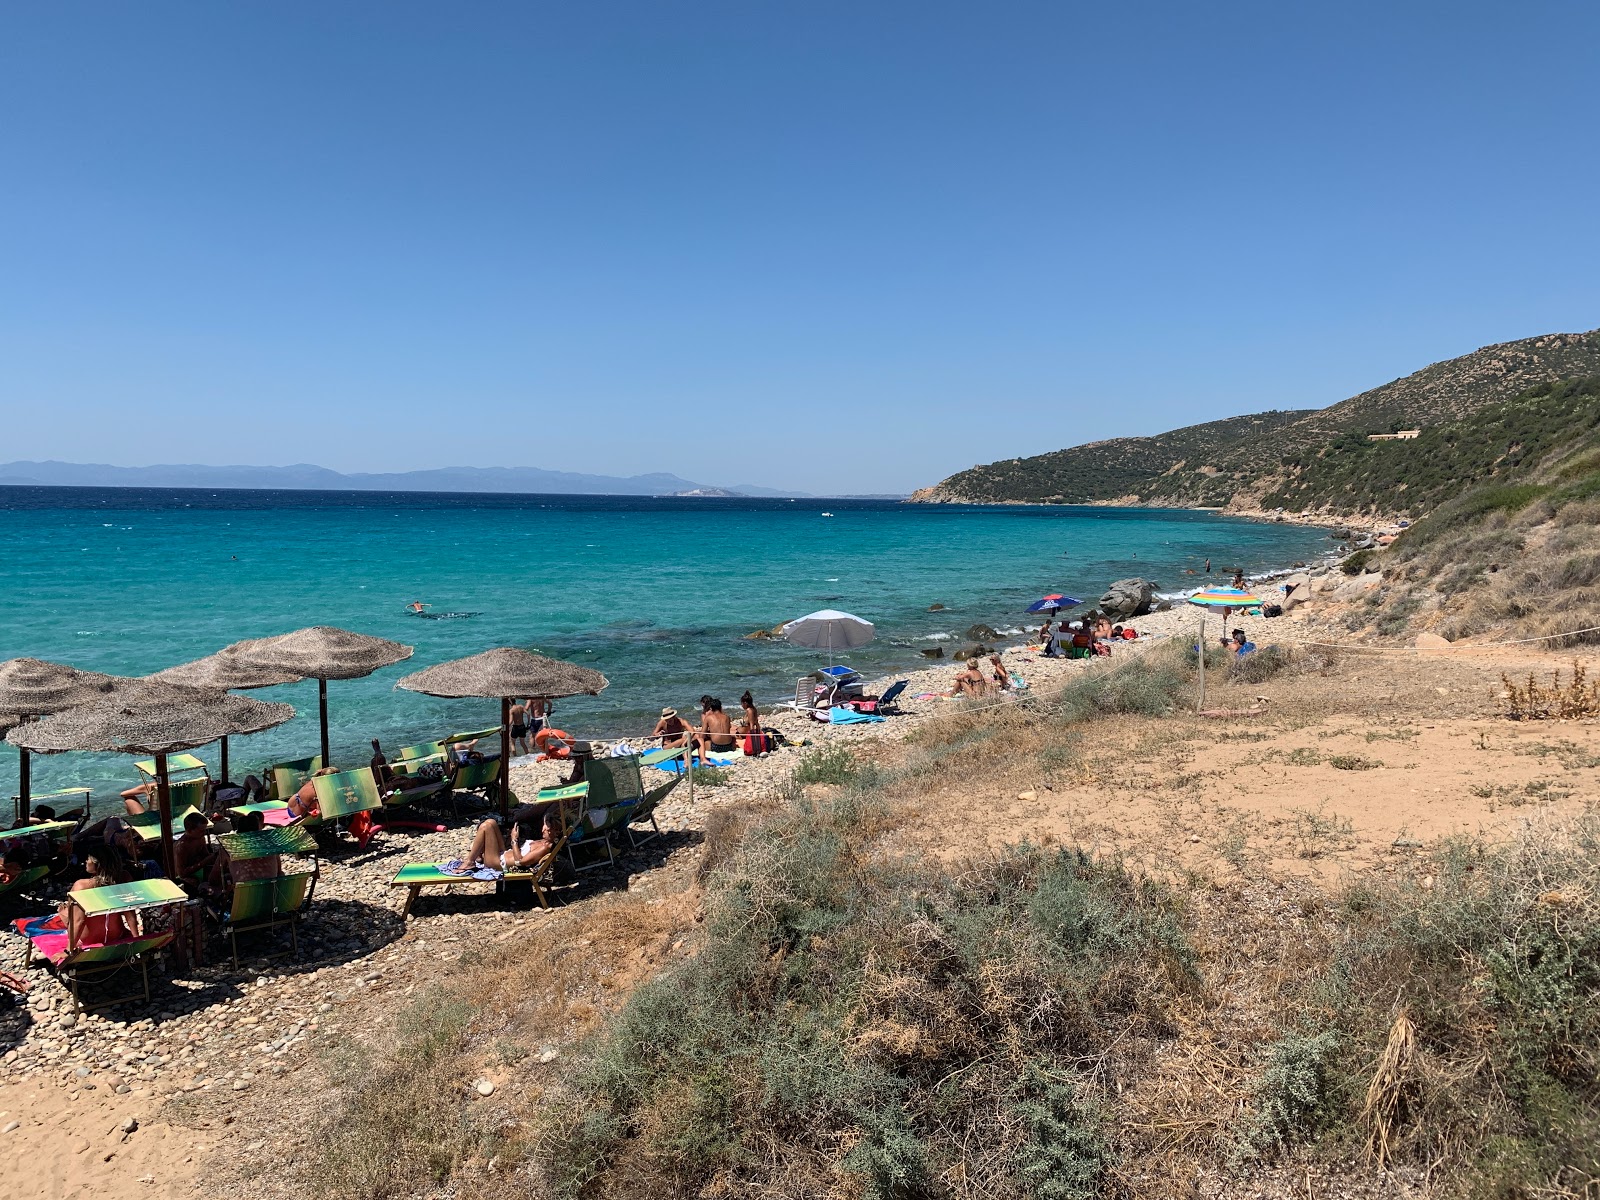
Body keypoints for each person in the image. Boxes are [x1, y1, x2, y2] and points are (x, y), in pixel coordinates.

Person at [446, 802, 560, 877]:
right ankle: (478, 856)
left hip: (497, 863)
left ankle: (470, 862)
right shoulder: (541, 841)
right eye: (545, 825)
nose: (544, 829)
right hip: (503, 853)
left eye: (547, 827)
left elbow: (520, 862)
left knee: (486, 827)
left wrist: (514, 839)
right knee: (491, 822)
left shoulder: (544, 847)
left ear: (555, 832)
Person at [63, 847, 136, 947]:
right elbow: (130, 913)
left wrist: (68, 950)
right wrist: (136, 938)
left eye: (88, 858)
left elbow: (79, 921)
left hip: (86, 940)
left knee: (65, 912)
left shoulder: (81, 886)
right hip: (116, 935)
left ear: (97, 863)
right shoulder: (124, 877)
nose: (85, 861)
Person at [174, 811, 225, 896]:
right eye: (201, 831)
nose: (204, 833)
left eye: (205, 830)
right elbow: (181, 873)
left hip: (199, 869)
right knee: (193, 882)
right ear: (190, 830)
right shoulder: (181, 846)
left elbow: (206, 855)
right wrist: (205, 862)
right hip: (184, 876)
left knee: (221, 874)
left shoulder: (200, 838)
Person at [226, 810, 280, 884]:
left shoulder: (229, 847)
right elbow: (279, 872)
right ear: (258, 829)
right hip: (270, 891)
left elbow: (213, 878)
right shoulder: (270, 845)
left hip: (243, 894)